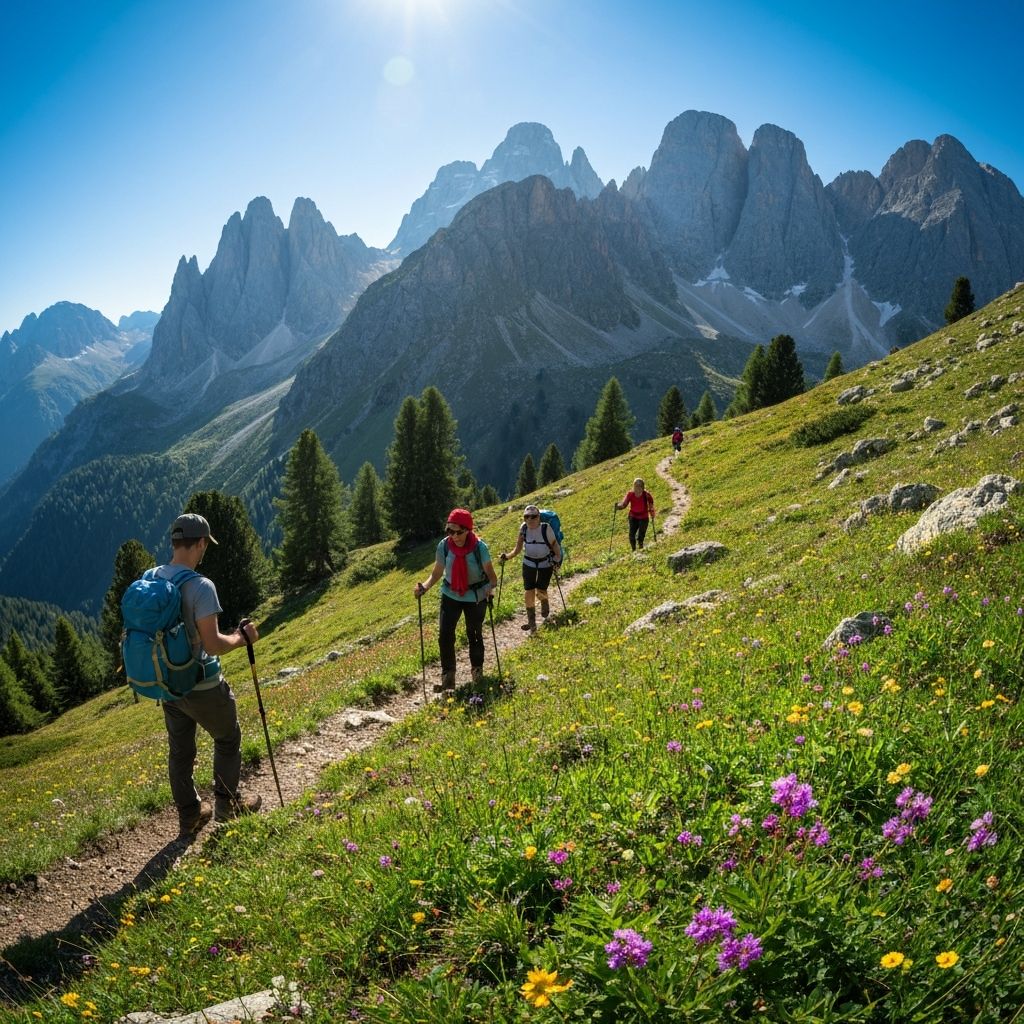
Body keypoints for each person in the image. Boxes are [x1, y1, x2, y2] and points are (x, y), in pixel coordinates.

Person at [157, 513, 263, 835]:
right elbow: (213, 645)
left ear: (175, 543)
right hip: (202, 684)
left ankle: (189, 815)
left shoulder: (153, 576)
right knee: (227, 737)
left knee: (181, 751)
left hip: (168, 685)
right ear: (201, 543)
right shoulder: (201, 587)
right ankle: (226, 807)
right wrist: (243, 638)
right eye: (205, 545)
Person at [413, 508, 498, 692]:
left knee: (474, 634)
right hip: (450, 594)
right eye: (450, 531)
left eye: (459, 532)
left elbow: (493, 578)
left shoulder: (479, 548)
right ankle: (448, 678)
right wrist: (425, 587)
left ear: (468, 530)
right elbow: (437, 572)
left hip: (475, 596)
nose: (454, 536)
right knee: (445, 635)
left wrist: (490, 591)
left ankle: (477, 672)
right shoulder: (444, 546)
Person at [499, 504, 562, 633]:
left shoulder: (546, 528)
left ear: (539, 517)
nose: (530, 519)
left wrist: (557, 560)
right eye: (526, 517)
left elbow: (555, 546)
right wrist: (507, 556)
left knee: (541, 590)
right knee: (529, 591)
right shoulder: (523, 529)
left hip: (546, 563)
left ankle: (544, 603)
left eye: (533, 516)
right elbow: (517, 549)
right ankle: (532, 623)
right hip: (528, 563)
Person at [615, 477, 656, 551]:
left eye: (639, 486)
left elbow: (651, 504)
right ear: (633, 486)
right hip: (633, 517)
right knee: (631, 535)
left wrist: (652, 512)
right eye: (636, 486)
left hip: (643, 517)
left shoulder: (646, 495)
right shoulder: (630, 494)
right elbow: (624, 504)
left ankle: (641, 547)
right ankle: (633, 550)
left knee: (641, 535)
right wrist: (618, 507)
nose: (637, 488)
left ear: (642, 487)